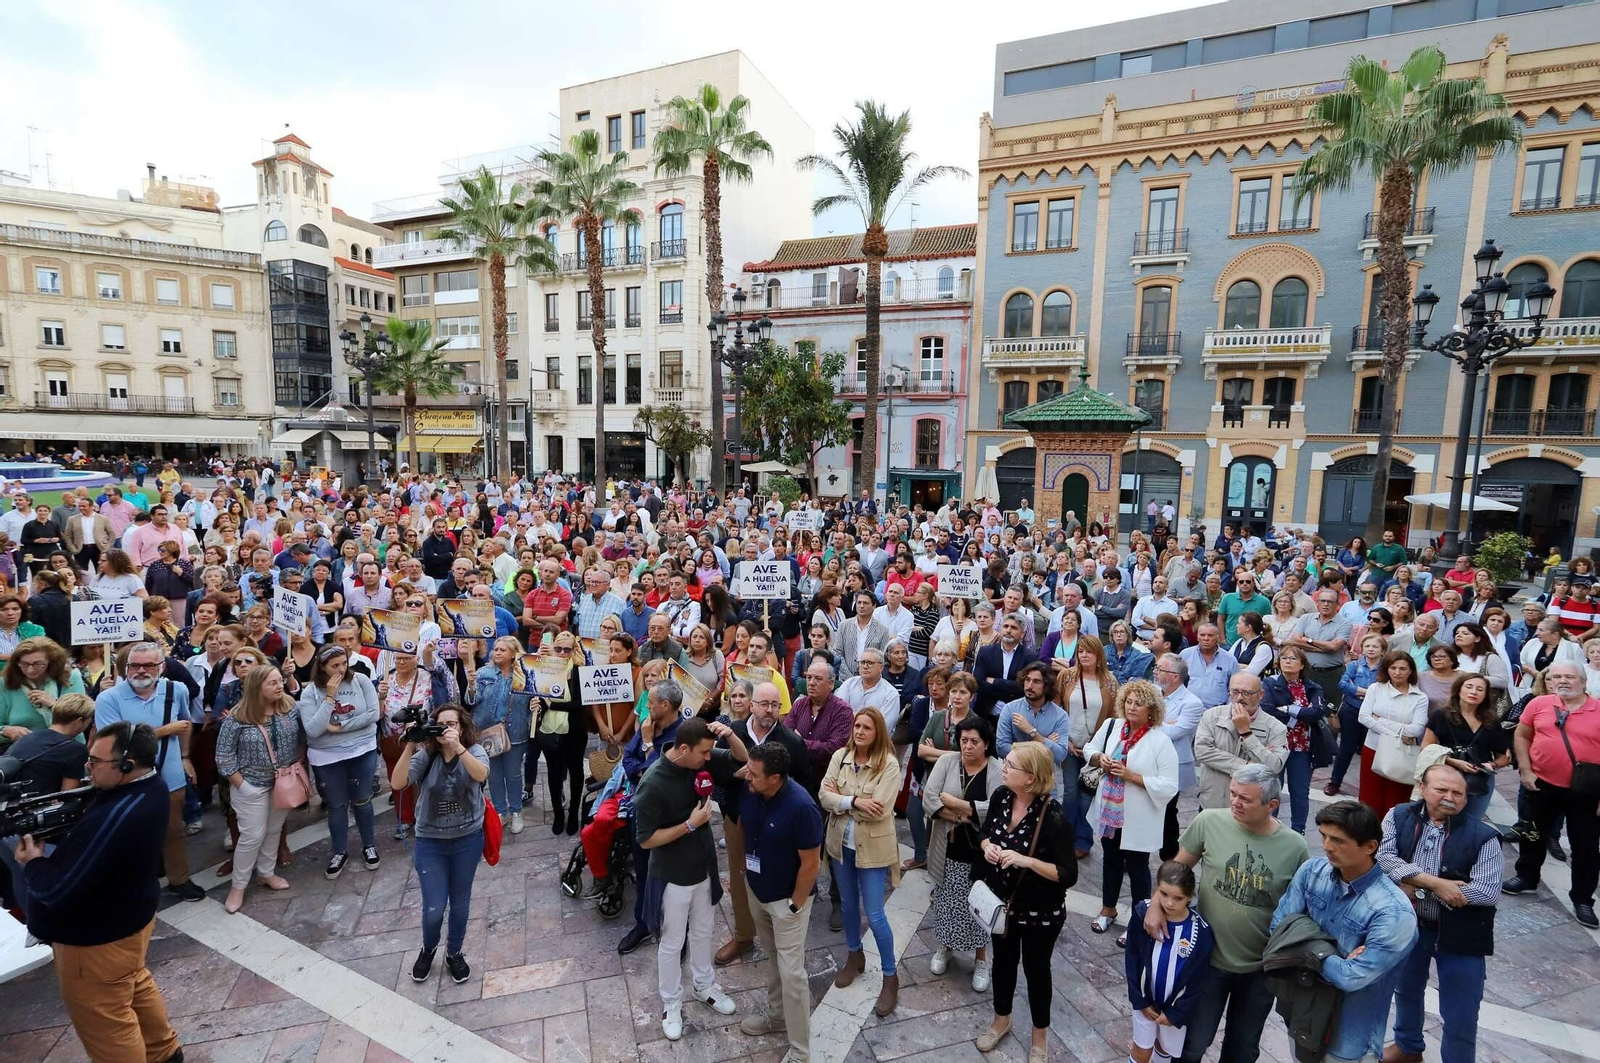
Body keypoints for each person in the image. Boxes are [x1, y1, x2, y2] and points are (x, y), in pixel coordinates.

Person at [11, 722, 184, 1063]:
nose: (86, 767)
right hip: (129, 925)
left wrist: (32, 862)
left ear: (126, 767)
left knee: (109, 1027)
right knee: (133, 986)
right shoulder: (152, 786)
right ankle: (164, 1054)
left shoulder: (119, 814)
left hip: (94, 944)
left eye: (94, 761)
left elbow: (56, 889)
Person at [1145, 764, 1309, 1063]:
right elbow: (1179, 869)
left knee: (1242, 1050)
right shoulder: (1209, 821)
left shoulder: (1295, 847)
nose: (1235, 802)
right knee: (1193, 1042)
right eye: (1233, 793)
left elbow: (1303, 907)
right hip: (1207, 960)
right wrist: (1155, 904)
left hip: (1260, 969)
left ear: (1272, 805)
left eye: (1245, 798)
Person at [1269, 801, 1419, 1063]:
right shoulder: (1311, 872)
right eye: (1324, 836)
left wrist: (1302, 945)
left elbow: (1352, 978)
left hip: (1349, 1037)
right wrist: (1330, 956)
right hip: (1300, 1012)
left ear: (1370, 847)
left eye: (1338, 840)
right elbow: (1278, 930)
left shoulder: (1393, 912)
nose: (1327, 846)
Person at [1377, 764, 1503, 1063]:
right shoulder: (1398, 816)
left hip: (1462, 935)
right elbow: (1382, 858)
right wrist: (1433, 884)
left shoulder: (1485, 836)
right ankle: (1408, 1047)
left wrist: (1414, 885)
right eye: (1442, 789)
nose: (1450, 797)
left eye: (1457, 793)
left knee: (1461, 1013)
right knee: (1405, 990)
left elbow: (1486, 892)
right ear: (1422, 787)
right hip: (1409, 925)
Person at [632, 715, 747, 1039]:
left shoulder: (700, 762)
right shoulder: (653, 783)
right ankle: (671, 1003)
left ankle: (704, 986)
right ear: (684, 749)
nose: (710, 758)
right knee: (671, 942)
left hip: (704, 870)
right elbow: (646, 839)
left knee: (703, 932)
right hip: (671, 877)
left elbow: (741, 759)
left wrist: (729, 734)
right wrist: (691, 825)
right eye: (705, 752)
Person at [972, 741, 1076, 1062]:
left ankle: (1039, 1037)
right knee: (1003, 964)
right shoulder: (1002, 796)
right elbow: (985, 831)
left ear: (1030, 778)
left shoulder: (1053, 816)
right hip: (1003, 906)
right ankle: (1001, 1020)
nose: (1003, 767)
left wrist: (1025, 860)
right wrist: (988, 846)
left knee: (1036, 969)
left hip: (1040, 911)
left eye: (1010, 764)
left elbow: (1067, 873)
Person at [94, 641, 204, 900]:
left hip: (171, 774)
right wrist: (166, 730)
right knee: (132, 833)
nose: (140, 670)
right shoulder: (108, 699)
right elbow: (116, 743)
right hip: (128, 779)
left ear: (162, 667)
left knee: (173, 829)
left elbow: (185, 725)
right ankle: (137, 885)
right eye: (134, 665)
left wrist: (186, 756)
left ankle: (179, 879)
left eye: (148, 665)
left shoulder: (176, 690)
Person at [735, 741, 824, 1062]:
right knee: (772, 958)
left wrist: (796, 906)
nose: (748, 778)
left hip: (787, 903)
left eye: (754, 775)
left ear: (775, 778)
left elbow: (812, 863)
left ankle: (801, 1052)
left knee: (793, 975)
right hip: (758, 891)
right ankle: (776, 1016)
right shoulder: (752, 789)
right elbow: (744, 821)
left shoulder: (802, 808)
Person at [390, 702, 488, 985]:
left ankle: (454, 952)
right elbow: (398, 783)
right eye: (441, 724)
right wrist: (410, 744)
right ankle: (428, 948)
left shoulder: (475, 751)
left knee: (460, 903)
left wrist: (458, 747)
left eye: (453, 724)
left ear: (462, 727)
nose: (447, 728)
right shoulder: (426, 756)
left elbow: (481, 774)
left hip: (468, 838)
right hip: (430, 840)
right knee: (434, 906)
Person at [714, 680, 807, 967]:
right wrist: (735, 776)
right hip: (738, 817)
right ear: (751, 705)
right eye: (764, 704)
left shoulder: (790, 741)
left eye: (775, 705)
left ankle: (779, 932)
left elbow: (803, 783)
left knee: (777, 873)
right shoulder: (734, 734)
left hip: (776, 823)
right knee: (739, 874)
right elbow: (716, 772)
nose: (769, 710)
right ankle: (743, 935)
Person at [1502, 660, 1600, 928]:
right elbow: (1522, 735)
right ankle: (1527, 878)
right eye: (1557, 677)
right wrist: (1525, 770)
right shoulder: (1539, 704)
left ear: (1583, 681)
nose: (1563, 681)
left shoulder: (1598, 710)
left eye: (1570, 676)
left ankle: (1582, 899)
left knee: (1586, 847)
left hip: (1587, 791)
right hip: (1542, 784)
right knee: (1532, 834)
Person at [820, 705, 903, 1016]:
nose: (859, 732)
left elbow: (879, 810)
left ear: (877, 732)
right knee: (848, 904)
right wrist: (854, 801)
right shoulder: (839, 756)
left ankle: (891, 975)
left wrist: (839, 802)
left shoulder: (889, 765)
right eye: (857, 726)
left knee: (875, 913)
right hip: (841, 843)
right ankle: (854, 957)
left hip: (872, 847)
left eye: (866, 727)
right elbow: (822, 795)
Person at [1085, 680, 1179, 941]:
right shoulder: (1112, 726)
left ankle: (1139, 918)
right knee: (1110, 860)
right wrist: (1098, 758)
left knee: (1137, 867)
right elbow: (1090, 748)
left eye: (1139, 703)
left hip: (1138, 816)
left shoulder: (1160, 740)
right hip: (1109, 810)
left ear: (1152, 710)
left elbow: (1170, 785)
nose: (1132, 707)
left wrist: (1131, 776)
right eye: (1128, 701)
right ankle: (1108, 909)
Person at [214, 664, 302, 913]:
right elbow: (224, 756)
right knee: (251, 836)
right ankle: (238, 886)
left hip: (282, 784)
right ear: (256, 687)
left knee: (274, 831)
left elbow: (302, 739)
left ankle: (266, 873)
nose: (279, 686)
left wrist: (295, 766)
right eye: (272, 683)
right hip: (251, 786)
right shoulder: (237, 717)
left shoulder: (289, 708)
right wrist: (243, 786)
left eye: (279, 681)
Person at [924, 714, 1003, 990]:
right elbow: (930, 798)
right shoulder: (947, 761)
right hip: (947, 846)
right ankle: (944, 947)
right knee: (947, 902)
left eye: (974, 741)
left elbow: (995, 810)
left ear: (986, 743)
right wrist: (969, 812)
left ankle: (981, 958)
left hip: (981, 852)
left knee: (979, 904)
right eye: (963, 740)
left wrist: (957, 804)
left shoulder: (996, 768)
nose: (967, 746)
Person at [299, 644, 383, 876]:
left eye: (344, 663)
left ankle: (369, 845)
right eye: (334, 665)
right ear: (322, 666)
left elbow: (372, 715)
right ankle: (340, 851)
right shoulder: (310, 693)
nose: (341, 669)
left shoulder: (361, 681)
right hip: (327, 757)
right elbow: (314, 729)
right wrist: (330, 698)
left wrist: (339, 727)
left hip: (362, 751)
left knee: (362, 800)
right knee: (337, 805)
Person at [1124, 861, 1216, 1063]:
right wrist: (1138, 999)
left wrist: (1177, 1013)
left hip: (1174, 1009)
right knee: (1142, 1048)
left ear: (1190, 897)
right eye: (1164, 894)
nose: (1169, 903)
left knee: (1164, 1048)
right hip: (1145, 1001)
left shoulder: (1200, 933)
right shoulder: (1143, 915)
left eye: (1178, 898)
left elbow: (1198, 980)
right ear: (1157, 888)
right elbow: (1132, 957)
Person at [1420, 673, 1511, 823]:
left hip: (1479, 779)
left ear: (1485, 695)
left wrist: (1491, 765)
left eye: (1480, 689)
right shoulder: (1441, 715)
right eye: (1469, 687)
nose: (1473, 692)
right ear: (1459, 689)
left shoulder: (1491, 721)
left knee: (1471, 823)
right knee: (1440, 821)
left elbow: (1503, 757)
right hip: (1445, 777)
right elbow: (1426, 747)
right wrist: (1453, 762)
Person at [1259, 645, 1329, 834]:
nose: (1288, 662)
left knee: (1300, 792)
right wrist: (1297, 717)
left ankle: (1299, 830)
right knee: (1273, 789)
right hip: (1277, 744)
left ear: (1302, 664)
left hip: (1303, 746)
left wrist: (1289, 709)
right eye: (1284, 658)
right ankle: (1269, 827)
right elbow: (1267, 710)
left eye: (1293, 659)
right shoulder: (1269, 683)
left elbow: (1317, 712)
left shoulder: (1312, 687)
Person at [1191, 672, 1288, 810]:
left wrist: (1246, 733)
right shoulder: (1211, 715)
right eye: (1235, 692)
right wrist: (1247, 765)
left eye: (1247, 693)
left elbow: (1273, 767)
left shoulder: (1276, 728)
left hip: (1251, 809)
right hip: (1212, 801)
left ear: (1260, 695)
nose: (1240, 697)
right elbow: (1202, 752)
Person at [470, 635, 534, 834]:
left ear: (514, 653)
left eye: (502, 650)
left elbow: (533, 699)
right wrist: (471, 687)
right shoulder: (483, 673)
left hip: (515, 731)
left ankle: (516, 811)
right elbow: (472, 701)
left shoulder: (525, 674)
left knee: (513, 774)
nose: (497, 652)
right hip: (488, 732)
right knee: (495, 775)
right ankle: (500, 811)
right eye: (496, 649)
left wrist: (534, 706)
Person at [1357, 651, 1431, 818]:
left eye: (1402, 668)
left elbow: (1417, 729)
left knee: (1396, 798)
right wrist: (1395, 732)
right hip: (1373, 749)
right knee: (1370, 797)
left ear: (1410, 671)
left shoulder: (1420, 697)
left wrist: (1380, 721)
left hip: (1402, 752)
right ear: (1387, 669)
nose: (1397, 672)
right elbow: (1363, 717)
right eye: (1393, 668)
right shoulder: (1375, 689)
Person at [1328, 633, 1386, 797]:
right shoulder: (1355, 665)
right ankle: (1335, 781)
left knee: (1369, 751)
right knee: (1345, 748)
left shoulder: (1386, 668)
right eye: (1367, 646)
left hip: (1374, 714)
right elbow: (1343, 685)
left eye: (1375, 646)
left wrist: (1358, 691)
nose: (1371, 649)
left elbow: (1385, 691)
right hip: (1351, 711)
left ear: (1382, 650)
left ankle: (1368, 788)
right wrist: (1368, 692)